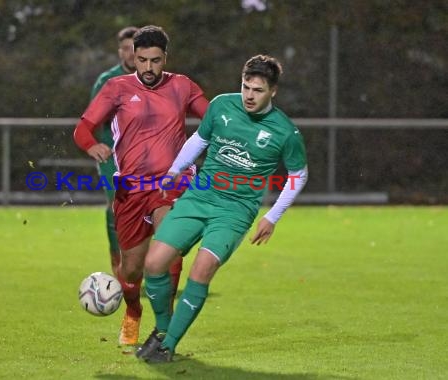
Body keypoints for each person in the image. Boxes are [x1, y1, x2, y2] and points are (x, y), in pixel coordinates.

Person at [136, 54, 308, 363]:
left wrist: (272, 216)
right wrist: (175, 171)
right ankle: (162, 330)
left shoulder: (285, 132)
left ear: (273, 92)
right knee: (154, 264)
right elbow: (199, 140)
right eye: (245, 87)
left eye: (257, 90)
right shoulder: (221, 105)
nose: (249, 96)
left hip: (235, 211)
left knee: (201, 270)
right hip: (199, 197)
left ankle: (168, 345)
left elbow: (299, 174)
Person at [73, 25, 209, 346]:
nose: (149, 68)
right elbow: (83, 128)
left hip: (171, 185)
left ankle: (165, 328)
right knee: (132, 272)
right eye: (143, 60)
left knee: (166, 250)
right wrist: (92, 145)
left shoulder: (183, 86)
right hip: (130, 189)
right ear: (133, 57)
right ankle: (133, 311)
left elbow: (215, 116)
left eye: (156, 60)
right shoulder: (115, 87)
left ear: (166, 59)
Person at [90, 26, 138, 276]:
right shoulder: (107, 82)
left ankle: (142, 266)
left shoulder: (154, 79)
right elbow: (91, 120)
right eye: (126, 49)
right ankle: (117, 265)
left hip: (145, 156)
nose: (131, 54)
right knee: (116, 206)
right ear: (119, 51)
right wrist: (95, 145)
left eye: (135, 48)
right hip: (113, 157)